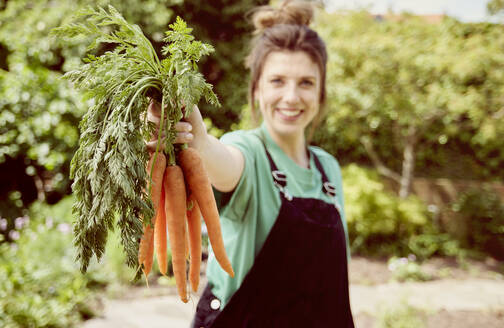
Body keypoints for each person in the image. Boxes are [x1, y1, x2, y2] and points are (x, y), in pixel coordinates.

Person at [148, 1, 354, 327]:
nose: (291, 97)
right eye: (277, 81)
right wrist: (197, 138)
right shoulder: (248, 150)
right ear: (256, 89)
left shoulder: (328, 170)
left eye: (306, 83)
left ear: (321, 92)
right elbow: (220, 160)